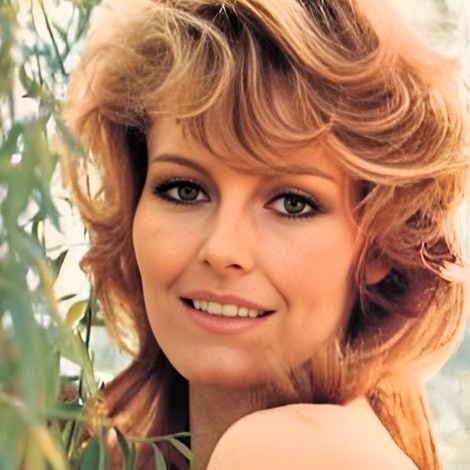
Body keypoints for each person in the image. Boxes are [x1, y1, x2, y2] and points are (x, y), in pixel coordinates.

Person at [64, 0, 469, 468]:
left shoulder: (284, 451)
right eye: (185, 190)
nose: (222, 249)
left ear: (382, 244)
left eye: (293, 203)